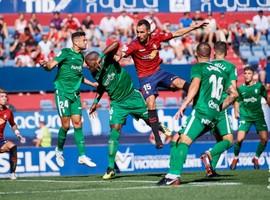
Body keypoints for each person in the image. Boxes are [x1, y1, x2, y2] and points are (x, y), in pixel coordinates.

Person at [85, 41, 171, 180]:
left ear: (95, 61)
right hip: (117, 103)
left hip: (132, 96)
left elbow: (116, 43)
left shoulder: (107, 59)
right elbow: (102, 86)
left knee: (149, 119)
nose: (87, 68)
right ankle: (111, 168)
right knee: (114, 131)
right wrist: (95, 102)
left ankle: (159, 126)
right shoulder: (94, 73)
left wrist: (101, 55)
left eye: (89, 65)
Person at [157, 42, 236, 186]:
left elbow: (194, 86)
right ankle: (172, 171)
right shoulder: (220, 70)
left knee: (183, 141)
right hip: (214, 114)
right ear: (210, 53)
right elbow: (233, 93)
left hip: (201, 112)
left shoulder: (198, 67)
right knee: (176, 138)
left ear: (196, 54)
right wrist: (220, 107)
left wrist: (184, 103)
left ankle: (173, 175)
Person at [120, 19, 208, 148]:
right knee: (150, 102)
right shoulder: (134, 45)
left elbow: (177, 33)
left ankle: (203, 102)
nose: (139, 35)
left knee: (182, 83)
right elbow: (120, 55)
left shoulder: (156, 38)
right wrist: (113, 57)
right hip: (145, 79)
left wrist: (194, 27)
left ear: (149, 32)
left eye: (142, 32)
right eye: (137, 32)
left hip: (159, 73)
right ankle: (157, 137)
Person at [40, 31, 98, 168]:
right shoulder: (65, 52)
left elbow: (79, 76)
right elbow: (51, 66)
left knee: (78, 124)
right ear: (76, 42)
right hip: (62, 93)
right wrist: (45, 65)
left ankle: (82, 156)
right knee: (66, 125)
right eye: (84, 40)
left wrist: (92, 84)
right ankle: (59, 150)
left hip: (75, 94)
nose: (86, 42)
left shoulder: (80, 57)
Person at [200, 41, 238, 176]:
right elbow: (233, 90)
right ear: (226, 52)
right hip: (220, 107)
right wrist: (235, 107)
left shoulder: (207, 66)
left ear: (214, 52)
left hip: (205, 108)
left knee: (219, 141)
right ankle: (208, 155)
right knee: (228, 140)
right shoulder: (230, 67)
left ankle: (211, 169)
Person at [230, 66, 270, 170]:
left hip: (258, 116)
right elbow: (237, 101)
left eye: (249, 73)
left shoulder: (259, 87)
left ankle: (256, 158)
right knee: (239, 139)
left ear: (253, 75)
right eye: (245, 73)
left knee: (265, 139)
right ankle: (235, 157)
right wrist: (236, 111)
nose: (247, 75)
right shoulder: (241, 88)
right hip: (245, 116)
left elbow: (267, 97)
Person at [0, 88, 26, 180]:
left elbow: (13, 124)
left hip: (1, 140)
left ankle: (12, 173)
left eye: (5, 96)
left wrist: (18, 134)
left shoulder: (8, 112)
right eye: (2, 96)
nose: (5, 98)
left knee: (13, 147)